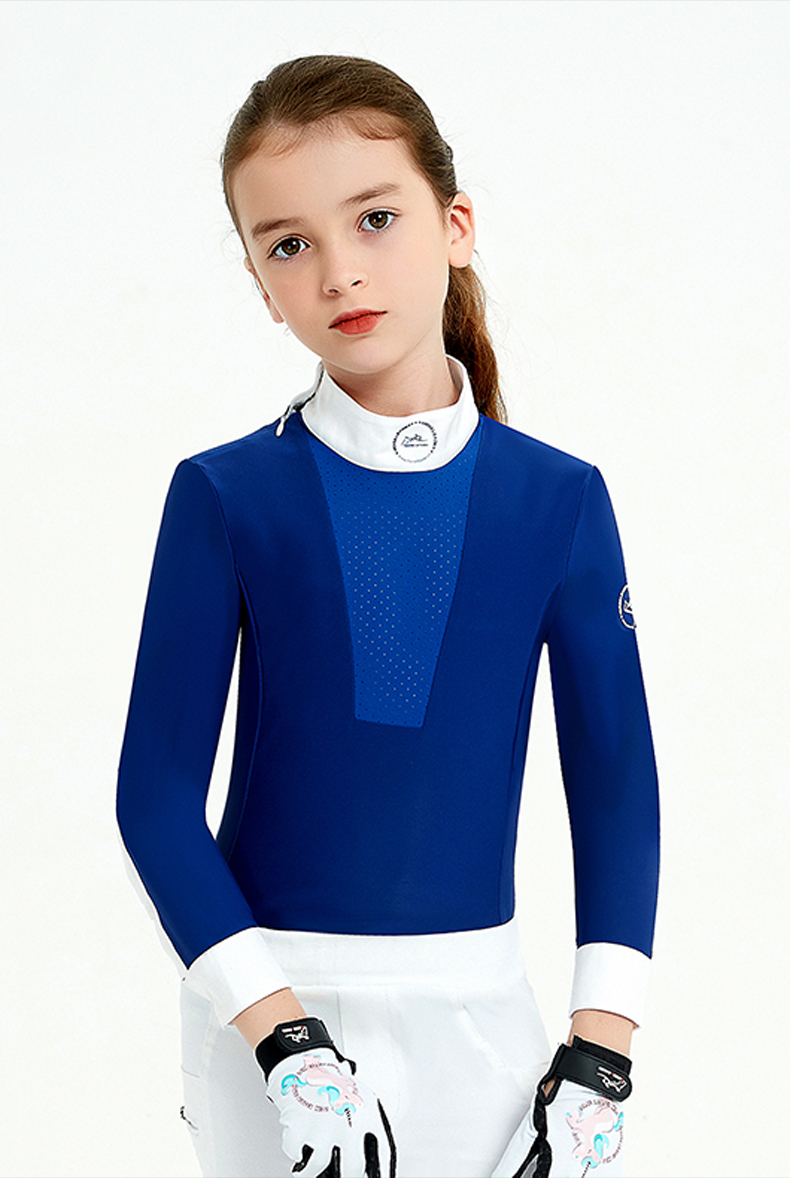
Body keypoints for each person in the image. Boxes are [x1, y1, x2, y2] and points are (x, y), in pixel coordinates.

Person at [116, 54, 659, 1178]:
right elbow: (153, 801)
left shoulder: (558, 499)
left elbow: (615, 780)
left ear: (455, 225)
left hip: (486, 1026)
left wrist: (602, 1048)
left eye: (374, 218)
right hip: (265, 1021)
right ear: (262, 283)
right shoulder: (224, 495)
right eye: (289, 244)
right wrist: (281, 1037)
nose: (338, 272)